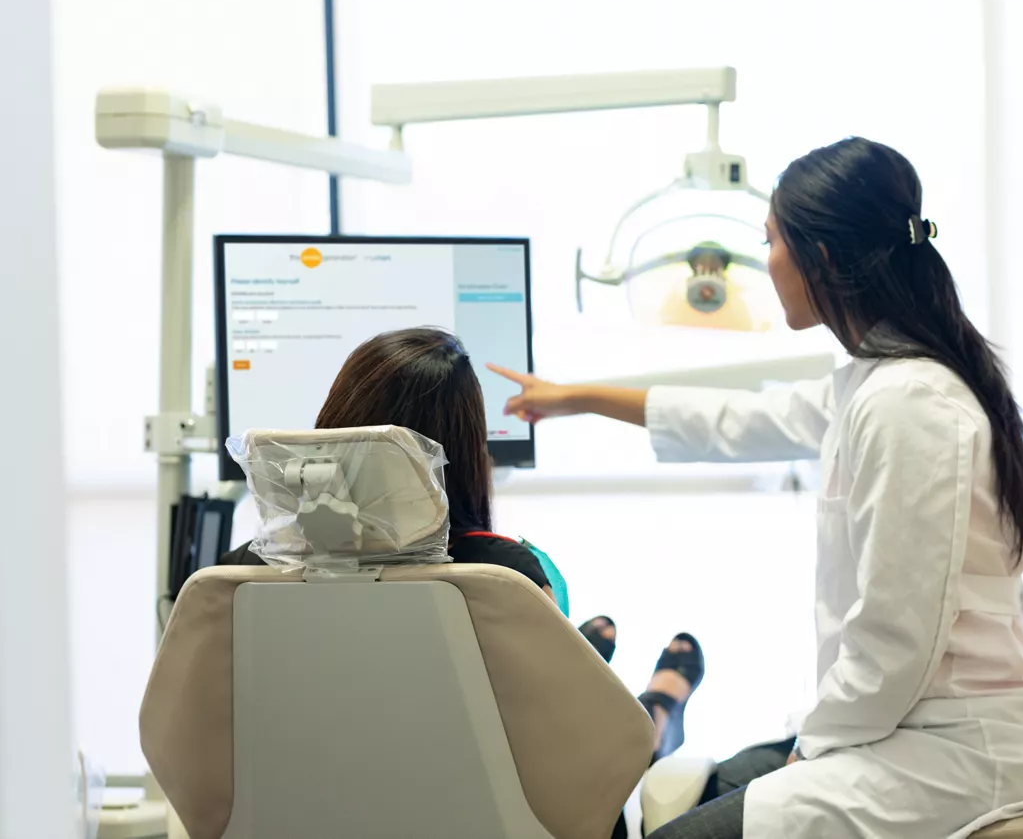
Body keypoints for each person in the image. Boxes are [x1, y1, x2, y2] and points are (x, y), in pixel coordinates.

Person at [489, 137, 1023, 838]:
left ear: (822, 259)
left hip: (954, 747)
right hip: (901, 724)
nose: (764, 262)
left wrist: (811, 747)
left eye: (770, 241)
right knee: (699, 788)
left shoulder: (910, 405)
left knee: (679, 829)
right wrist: (580, 397)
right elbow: (738, 418)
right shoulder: (876, 380)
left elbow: (895, 640)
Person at [220, 327, 704, 769]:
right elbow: (564, 748)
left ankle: (587, 657)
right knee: (609, 711)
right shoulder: (503, 577)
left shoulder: (238, 576)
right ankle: (651, 701)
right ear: (469, 447)